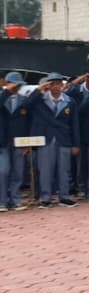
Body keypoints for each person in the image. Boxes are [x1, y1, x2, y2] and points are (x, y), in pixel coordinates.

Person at [28, 74, 80, 208]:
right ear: (48, 85)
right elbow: (26, 105)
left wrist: (75, 144)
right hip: (45, 138)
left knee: (64, 170)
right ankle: (46, 198)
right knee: (45, 169)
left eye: (58, 84)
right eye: (53, 84)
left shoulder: (69, 101)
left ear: (62, 86)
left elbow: (75, 124)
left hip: (64, 138)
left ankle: (64, 197)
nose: (56, 87)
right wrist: (39, 90)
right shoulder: (39, 99)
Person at [3, 73, 33, 211]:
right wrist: (6, 91)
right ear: (6, 82)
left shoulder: (24, 100)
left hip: (19, 141)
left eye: (18, 85)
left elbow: (29, 122)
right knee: (3, 171)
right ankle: (2, 201)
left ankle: (15, 200)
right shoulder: (2, 97)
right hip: (2, 141)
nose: (16, 87)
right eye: (14, 84)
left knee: (18, 172)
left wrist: (27, 141)